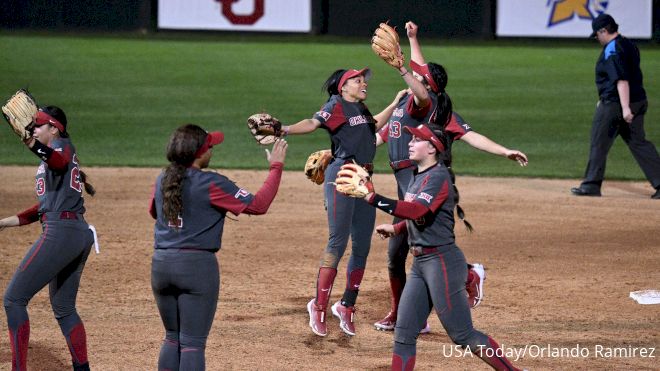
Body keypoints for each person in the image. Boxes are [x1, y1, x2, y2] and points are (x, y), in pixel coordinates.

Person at [373, 21, 529, 332]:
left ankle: (466, 275)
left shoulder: (424, 106)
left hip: (419, 190)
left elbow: (473, 136)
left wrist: (504, 152)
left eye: (419, 75)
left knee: (415, 255)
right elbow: (386, 131)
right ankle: (403, 313)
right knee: (400, 258)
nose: (414, 72)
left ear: (426, 86)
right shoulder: (410, 100)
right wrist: (413, 38)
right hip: (405, 184)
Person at [342, 123, 523, 370]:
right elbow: (418, 216)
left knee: (463, 335)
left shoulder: (438, 177)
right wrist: (396, 229)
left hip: (442, 263)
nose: (409, 143)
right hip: (420, 265)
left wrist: (373, 198)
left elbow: (418, 209)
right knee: (404, 335)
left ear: (432, 148)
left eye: (416, 140)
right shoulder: (418, 177)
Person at [265, 67, 402, 336]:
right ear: (343, 87)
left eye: (363, 80)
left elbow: (373, 125)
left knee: (362, 245)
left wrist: (395, 104)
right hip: (341, 176)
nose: (363, 83)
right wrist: (286, 130)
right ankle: (318, 306)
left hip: (363, 179)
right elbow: (313, 122)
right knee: (338, 241)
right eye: (357, 80)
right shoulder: (335, 104)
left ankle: (346, 306)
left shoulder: (361, 109)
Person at [149, 125, 287, 370]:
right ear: (200, 153)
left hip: (161, 265)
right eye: (210, 147)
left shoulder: (163, 178)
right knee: (192, 343)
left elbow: (154, 212)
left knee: (172, 337)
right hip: (196, 269)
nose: (212, 151)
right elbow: (258, 205)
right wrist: (276, 167)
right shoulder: (211, 182)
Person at [0, 105, 97, 371]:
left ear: (54, 128)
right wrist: (5, 223)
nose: (32, 128)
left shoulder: (63, 147)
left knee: (13, 300)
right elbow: (43, 209)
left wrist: (31, 143)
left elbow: (59, 161)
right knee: (64, 308)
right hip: (75, 233)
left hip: (62, 233)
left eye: (38, 125)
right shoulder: (51, 160)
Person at [571, 13, 660, 199]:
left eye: (597, 34)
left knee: (599, 142)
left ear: (604, 30)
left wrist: (625, 107)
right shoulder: (629, 43)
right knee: (639, 143)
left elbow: (621, 79)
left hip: (616, 104)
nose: (596, 38)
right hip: (638, 100)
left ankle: (591, 185)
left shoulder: (612, 49)